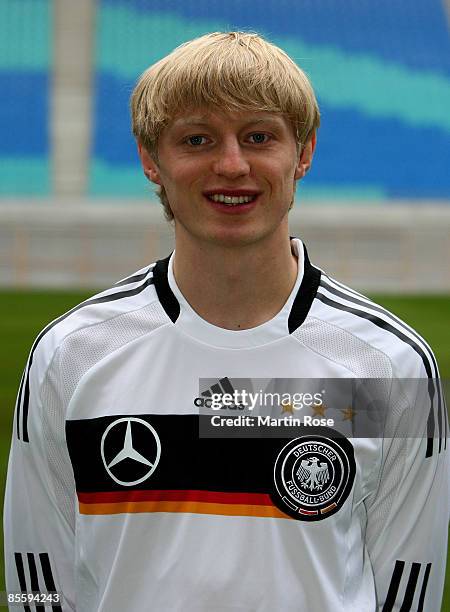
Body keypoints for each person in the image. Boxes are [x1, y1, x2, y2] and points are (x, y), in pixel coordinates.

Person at [3, 31, 449, 612]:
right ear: (150, 161)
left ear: (304, 153)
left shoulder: (388, 365)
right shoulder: (72, 354)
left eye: (259, 137)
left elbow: (407, 585)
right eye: (197, 139)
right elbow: (35, 577)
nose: (232, 165)